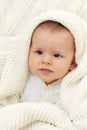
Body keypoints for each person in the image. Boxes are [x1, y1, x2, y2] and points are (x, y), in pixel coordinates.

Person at [20, 20, 77, 103]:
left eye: (56, 55)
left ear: (72, 63)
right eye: (39, 52)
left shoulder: (72, 87)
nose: (46, 61)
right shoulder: (21, 81)